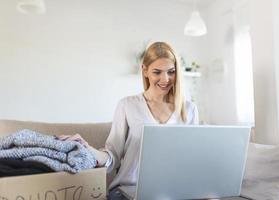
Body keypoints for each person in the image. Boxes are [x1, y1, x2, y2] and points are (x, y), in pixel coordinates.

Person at [59, 42, 199, 200]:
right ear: (145, 71)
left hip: (173, 191)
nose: (165, 79)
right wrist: (88, 149)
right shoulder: (127, 105)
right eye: (157, 72)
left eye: (171, 72)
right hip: (128, 190)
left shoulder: (189, 109)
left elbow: (193, 160)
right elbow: (112, 156)